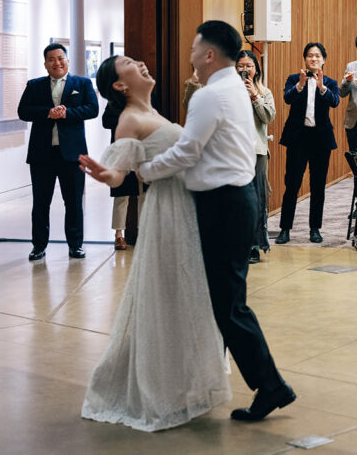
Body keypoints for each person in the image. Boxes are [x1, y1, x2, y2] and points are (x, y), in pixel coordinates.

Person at [130, 20, 292, 422]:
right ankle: (212, 382)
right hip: (236, 202)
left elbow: (187, 152)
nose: (189, 58)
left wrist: (147, 169)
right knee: (221, 301)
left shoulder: (210, 95)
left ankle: (270, 385)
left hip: (223, 207)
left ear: (209, 54)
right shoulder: (235, 88)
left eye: (193, 49)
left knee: (227, 305)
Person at [77, 54, 232, 431]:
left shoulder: (156, 113)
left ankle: (185, 384)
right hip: (168, 211)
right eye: (130, 63)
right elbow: (120, 171)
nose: (143, 63)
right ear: (120, 85)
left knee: (190, 293)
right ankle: (161, 387)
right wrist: (105, 174)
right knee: (169, 292)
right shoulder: (130, 118)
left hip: (190, 205)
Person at [16, 43, 99, 261]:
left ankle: (75, 245)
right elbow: (23, 111)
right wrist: (48, 113)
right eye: (51, 59)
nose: (57, 63)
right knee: (41, 203)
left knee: (73, 202)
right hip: (42, 155)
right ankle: (38, 246)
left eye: (60, 58)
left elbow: (93, 109)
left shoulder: (82, 83)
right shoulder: (34, 86)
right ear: (45, 64)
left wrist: (66, 114)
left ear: (67, 60)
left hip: (72, 155)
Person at [277, 42, 341, 245]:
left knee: (318, 185)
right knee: (292, 184)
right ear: (305, 59)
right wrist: (301, 85)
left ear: (323, 59)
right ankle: (285, 229)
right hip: (298, 138)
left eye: (317, 56)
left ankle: (315, 228)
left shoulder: (329, 82)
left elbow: (335, 102)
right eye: (310, 56)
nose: (313, 59)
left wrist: (321, 87)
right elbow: (288, 98)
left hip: (320, 139)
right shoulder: (294, 79)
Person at [237, 50, 275, 264]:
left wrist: (254, 97)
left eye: (249, 66)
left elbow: (268, 116)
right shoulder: (229, 92)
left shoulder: (264, 91)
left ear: (256, 69)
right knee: (236, 200)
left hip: (256, 152)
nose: (245, 70)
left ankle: (254, 245)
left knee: (256, 200)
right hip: (233, 152)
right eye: (241, 66)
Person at [101, 98, 145, 251]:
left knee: (142, 194)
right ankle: (119, 235)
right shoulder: (115, 99)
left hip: (142, 151)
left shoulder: (148, 97)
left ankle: (143, 235)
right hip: (121, 151)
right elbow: (106, 121)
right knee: (121, 194)